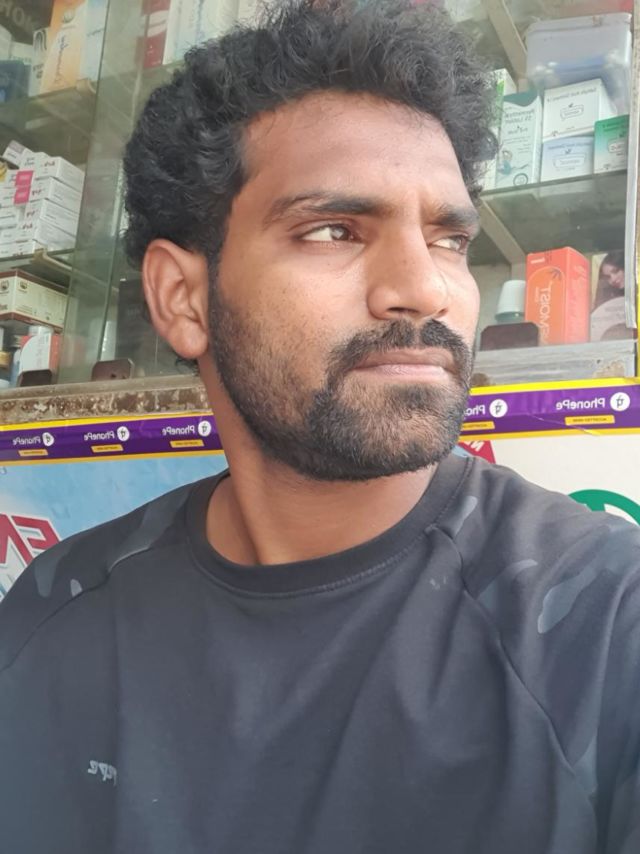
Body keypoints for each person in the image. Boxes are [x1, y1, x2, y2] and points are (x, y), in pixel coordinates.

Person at [1, 2, 639, 852]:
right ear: (183, 299)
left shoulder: (605, 627)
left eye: (449, 239)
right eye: (335, 230)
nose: (425, 288)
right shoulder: (60, 616)